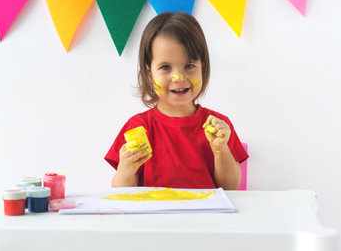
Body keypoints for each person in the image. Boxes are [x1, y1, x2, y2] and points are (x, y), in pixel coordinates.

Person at [104, 12, 248, 190]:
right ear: (149, 74)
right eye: (165, 67)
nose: (178, 77)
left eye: (189, 66)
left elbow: (230, 187)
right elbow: (122, 190)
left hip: (206, 216)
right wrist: (125, 170)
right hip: (154, 216)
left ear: (202, 67)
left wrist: (220, 149)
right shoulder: (138, 126)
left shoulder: (219, 126)